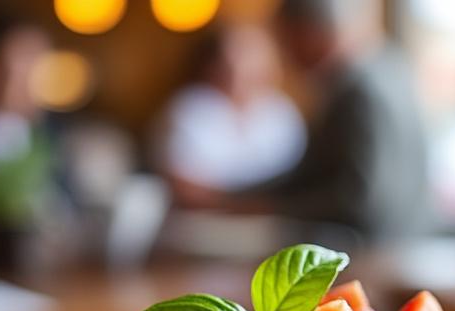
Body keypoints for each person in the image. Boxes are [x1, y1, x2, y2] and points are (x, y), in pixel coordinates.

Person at [178, 0, 429, 242]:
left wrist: (265, 206)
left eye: (287, 41)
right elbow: (311, 176)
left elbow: (359, 198)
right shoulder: (381, 68)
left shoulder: (360, 91)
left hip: (383, 254)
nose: (287, 56)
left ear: (307, 32)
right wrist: (238, 199)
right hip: (394, 246)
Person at [156, 23, 306, 192]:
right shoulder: (189, 108)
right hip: (205, 215)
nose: (243, 66)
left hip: (275, 210)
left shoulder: (281, 110)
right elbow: (182, 184)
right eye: (236, 56)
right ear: (212, 65)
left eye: (252, 56)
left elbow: (298, 173)